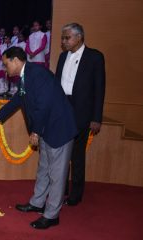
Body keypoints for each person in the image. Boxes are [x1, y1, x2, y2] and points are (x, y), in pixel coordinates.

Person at [0, 47, 77, 229]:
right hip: (46, 128)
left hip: (58, 129)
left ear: (16, 60)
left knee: (57, 174)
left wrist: (36, 131)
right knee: (44, 168)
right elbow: (16, 101)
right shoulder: (27, 75)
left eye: (6, 64)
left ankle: (52, 214)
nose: (5, 68)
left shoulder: (37, 74)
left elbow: (44, 106)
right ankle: (37, 203)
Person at [55, 23, 105, 206]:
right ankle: (61, 189)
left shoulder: (95, 57)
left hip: (82, 113)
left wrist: (96, 117)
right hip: (63, 109)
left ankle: (75, 194)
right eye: (63, 38)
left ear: (79, 37)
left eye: (66, 38)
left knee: (76, 155)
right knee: (61, 154)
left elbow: (100, 89)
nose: (63, 41)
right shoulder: (62, 57)